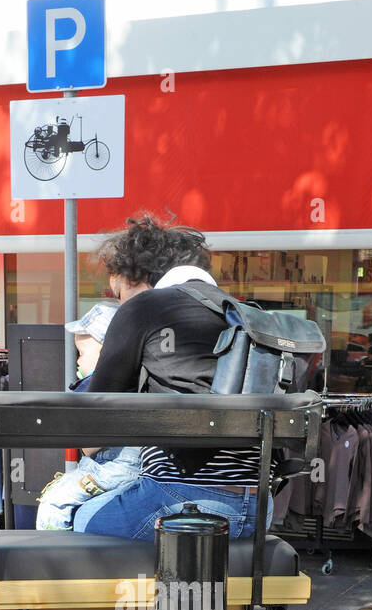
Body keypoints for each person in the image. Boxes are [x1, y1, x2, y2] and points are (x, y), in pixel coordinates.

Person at [73, 213, 272, 541]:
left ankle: (152, 594)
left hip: (184, 503)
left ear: (139, 278)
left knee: (82, 519)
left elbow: (91, 437)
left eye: (120, 294)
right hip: (259, 507)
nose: (120, 304)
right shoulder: (245, 312)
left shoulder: (146, 308)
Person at [35, 301, 141, 530]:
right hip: (126, 467)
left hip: (114, 468)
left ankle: (54, 561)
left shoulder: (97, 387)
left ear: (107, 351)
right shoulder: (137, 379)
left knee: (53, 504)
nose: (78, 361)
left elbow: (89, 445)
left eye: (82, 353)